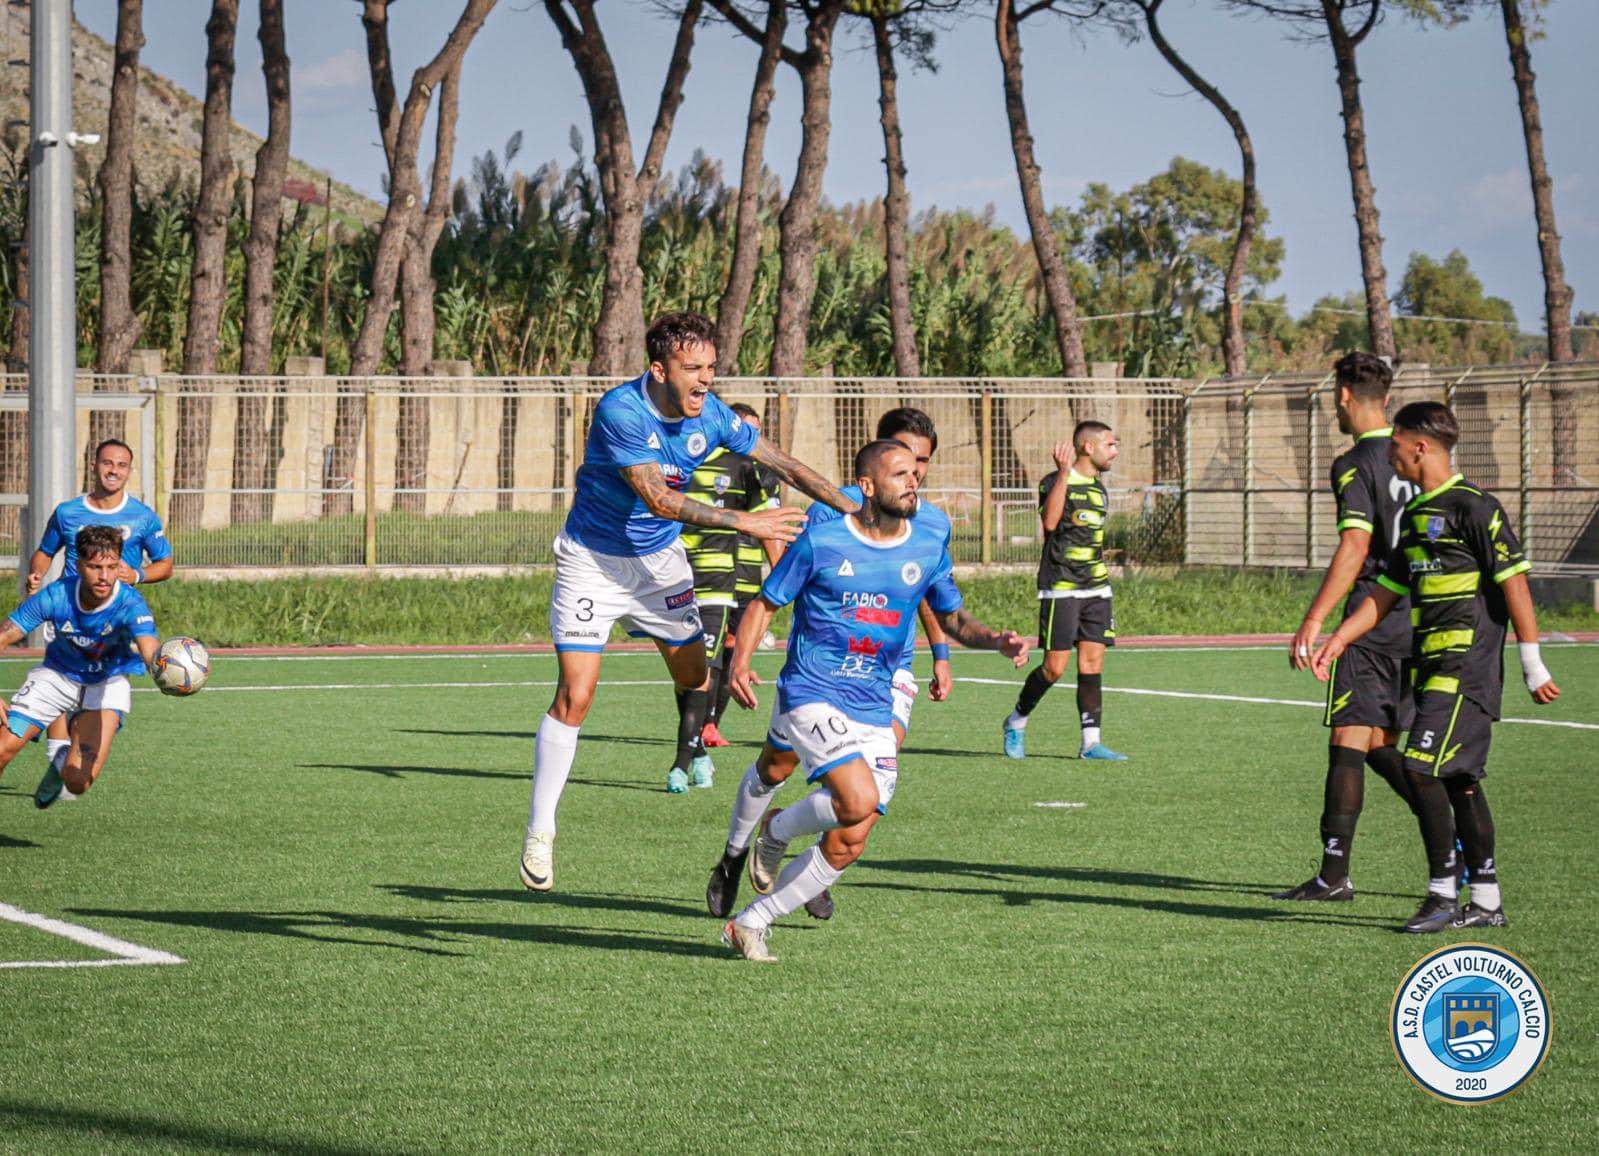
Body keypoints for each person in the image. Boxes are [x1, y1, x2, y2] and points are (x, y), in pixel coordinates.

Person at [520, 312, 855, 892]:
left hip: (659, 567)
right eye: (692, 368)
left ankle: (692, 745)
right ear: (659, 369)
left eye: (711, 367)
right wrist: (744, 522)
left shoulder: (715, 415)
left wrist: (856, 512)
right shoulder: (622, 411)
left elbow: (785, 466)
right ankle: (541, 830)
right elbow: (656, 498)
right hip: (593, 562)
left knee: (696, 675)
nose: (706, 379)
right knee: (576, 696)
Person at [710, 440, 1028, 961]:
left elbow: (950, 616)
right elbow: (767, 602)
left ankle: (752, 920)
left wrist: (995, 640)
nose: (912, 482)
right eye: (900, 474)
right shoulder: (824, 540)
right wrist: (741, 662)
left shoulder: (926, 546)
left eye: (915, 473)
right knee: (854, 799)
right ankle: (774, 828)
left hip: (874, 702)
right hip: (811, 693)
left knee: (851, 837)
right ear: (868, 486)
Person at [1312, 401, 1560, 933]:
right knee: (1460, 780)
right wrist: (1339, 637)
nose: (1391, 454)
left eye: (1397, 444)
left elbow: (1514, 581)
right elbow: (1386, 591)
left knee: (1422, 769)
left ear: (1419, 447)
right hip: (1430, 669)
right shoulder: (1416, 515)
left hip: (1465, 669)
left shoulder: (1475, 507)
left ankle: (1443, 893)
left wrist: (1531, 664)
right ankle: (1487, 901)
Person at [714, 406, 955, 923]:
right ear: (876, 461)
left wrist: (940, 653)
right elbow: (791, 561)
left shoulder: (931, 523)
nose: (915, 471)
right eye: (905, 459)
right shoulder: (833, 510)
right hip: (817, 674)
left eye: (924, 463)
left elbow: (929, 595)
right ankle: (736, 853)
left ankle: (811, 864)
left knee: (865, 796)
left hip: (888, 674)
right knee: (775, 767)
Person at [1277, 352, 1422, 902]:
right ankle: (1455, 844)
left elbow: (1356, 544)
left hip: (1371, 616)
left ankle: (1334, 875)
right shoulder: (1417, 453)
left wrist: (1314, 620)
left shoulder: (1355, 462)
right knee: (1378, 741)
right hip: (1422, 615)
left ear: (1342, 395)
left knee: (1348, 741)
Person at [24, 438, 172, 787]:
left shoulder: (142, 517)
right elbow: (46, 551)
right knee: (59, 673)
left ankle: (84, 733)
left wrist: (136, 575)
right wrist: (35, 575)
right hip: (68, 611)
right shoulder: (68, 512)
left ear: (129, 471)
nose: (113, 470)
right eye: (107, 463)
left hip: (115, 618)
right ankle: (57, 756)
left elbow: (165, 565)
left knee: (103, 682)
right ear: (94, 465)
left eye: (121, 465)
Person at [0, 525, 163, 807]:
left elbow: (150, 650)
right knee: (2, 750)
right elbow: (4, 636)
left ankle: (63, 759)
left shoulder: (131, 603)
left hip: (107, 683)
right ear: (79, 565)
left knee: (78, 782)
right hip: (57, 675)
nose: (104, 577)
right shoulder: (55, 596)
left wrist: (166, 672)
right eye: (95, 567)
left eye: (112, 567)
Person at [1002, 421, 1127, 761]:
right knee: (1054, 668)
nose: (1115, 451)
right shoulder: (1053, 481)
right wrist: (1062, 475)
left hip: (1097, 587)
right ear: (1088, 447)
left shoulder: (1100, 490)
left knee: (1092, 663)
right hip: (1061, 587)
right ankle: (1016, 720)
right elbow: (1050, 523)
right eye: (1110, 444)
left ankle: (1091, 744)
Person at [688, 403, 784, 763]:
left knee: (733, 644)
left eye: (755, 432)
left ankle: (712, 723)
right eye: (744, 430)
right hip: (714, 567)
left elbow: (771, 522)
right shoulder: (709, 463)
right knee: (709, 650)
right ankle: (697, 726)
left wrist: (782, 571)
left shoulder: (761, 472)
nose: (750, 439)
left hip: (746, 571)